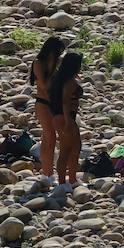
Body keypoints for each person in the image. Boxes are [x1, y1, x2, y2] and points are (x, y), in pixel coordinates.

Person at [29, 37, 66, 181]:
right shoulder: (39, 63)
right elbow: (44, 86)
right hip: (44, 103)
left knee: (50, 138)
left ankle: (48, 171)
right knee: (49, 136)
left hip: (54, 104)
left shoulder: (55, 64)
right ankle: (47, 171)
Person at [49, 52, 84, 188]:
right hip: (66, 117)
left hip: (61, 116)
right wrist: (68, 122)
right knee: (66, 150)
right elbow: (65, 102)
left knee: (74, 148)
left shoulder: (60, 78)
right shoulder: (68, 82)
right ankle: (64, 181)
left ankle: (71, 180)